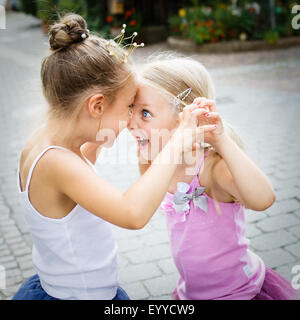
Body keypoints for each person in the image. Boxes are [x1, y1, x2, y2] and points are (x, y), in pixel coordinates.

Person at [12, 14, 216, 300]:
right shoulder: (56, 163)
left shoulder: (45, 143)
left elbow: (82, 162)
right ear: (96, 106)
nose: (131, 118)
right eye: (129, 106)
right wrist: (178, 141)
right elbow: (132, 213)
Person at [128, 55, 299, 300]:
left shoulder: (212, 169)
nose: (130, 122)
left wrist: (221, 140)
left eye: (144, 113)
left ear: (186, 118)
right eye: (130, 110)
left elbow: (264, 199)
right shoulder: (156, 162)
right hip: (192, 292)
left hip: (237, 292)